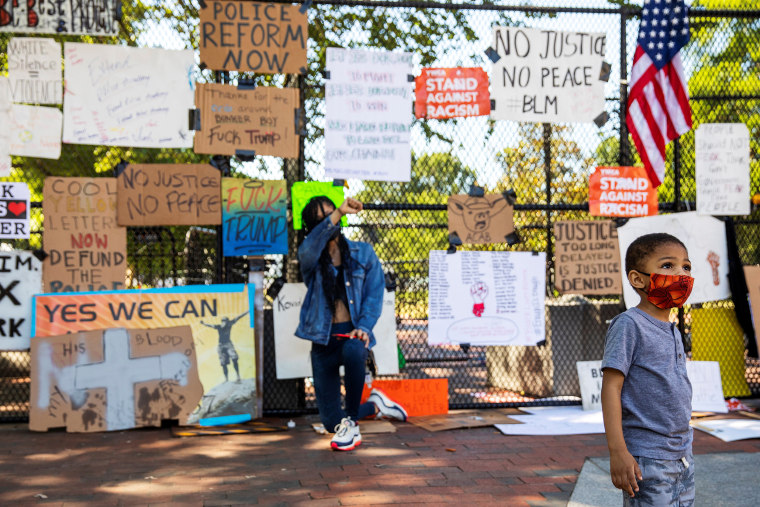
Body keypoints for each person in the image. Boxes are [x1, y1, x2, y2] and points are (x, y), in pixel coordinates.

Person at [296, 196, 407, 451]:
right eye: (322, 217)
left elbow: (374, 294)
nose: (330, 219)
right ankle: (375, 404)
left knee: (357, 348)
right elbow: (308, 249)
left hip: (351, 334)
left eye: (332, 213)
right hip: (323, 342)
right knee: (330, 423)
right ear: (313, 226)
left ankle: (354, 423)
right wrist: (336, 213)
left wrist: (364, 327)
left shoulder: (363, 253)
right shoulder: (310, 260)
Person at [601, 233, 695, 506]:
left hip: (682, 454)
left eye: (686, 267)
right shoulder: (629, 324)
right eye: (668, 266)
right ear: (638, 279)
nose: (681, 274)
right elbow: (611, 386)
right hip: (647, 458)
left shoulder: (672, 329)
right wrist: (617, 450)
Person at [200, 311, 248, 382]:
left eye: (225, 321)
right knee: (223, 363)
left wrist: (247, 311)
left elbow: (238, 317)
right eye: (223, 321)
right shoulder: (219, 327)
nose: (224, 323)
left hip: (228, 344)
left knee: (234, 358)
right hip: (221, 345)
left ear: (227, 322)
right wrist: (204, 323)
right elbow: (211, 325)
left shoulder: (229, 324)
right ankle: (226, 379)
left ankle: (238, 376)